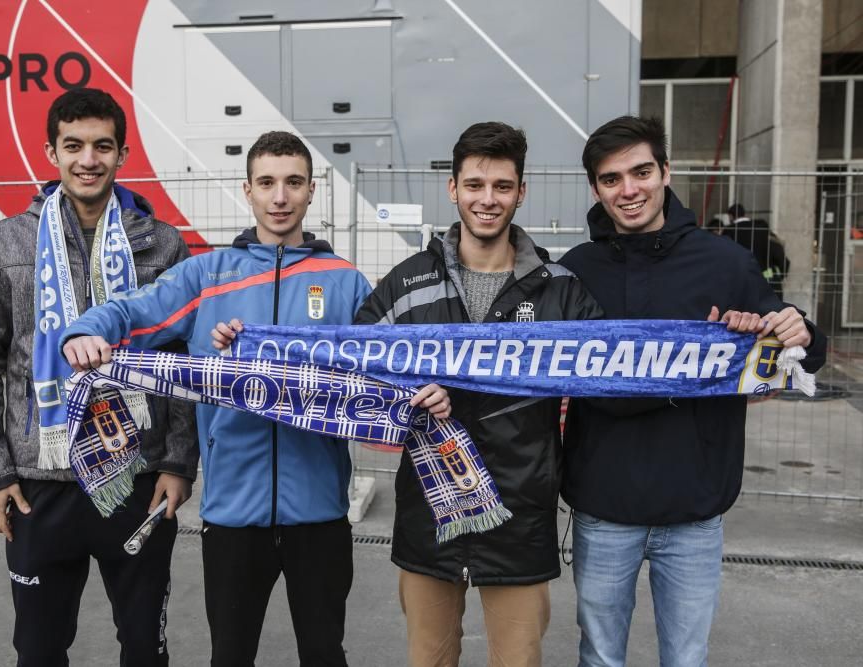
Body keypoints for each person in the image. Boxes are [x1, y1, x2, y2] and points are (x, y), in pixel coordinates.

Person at [61, 131, 376, 667]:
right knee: (230, 655)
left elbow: (383, 369)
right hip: (233, 513)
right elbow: (133, 310)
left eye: (293, 183)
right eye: (268, 183)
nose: (280, 197)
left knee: (325, 654)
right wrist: (85, 330)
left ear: (311, 191)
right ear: (247, 190)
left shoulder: (344, 282)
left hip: (320, 512)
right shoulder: (207, 275)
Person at [559, 115, 827, 667]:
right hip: (603, 507)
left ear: (666, 172)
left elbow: (797, 346)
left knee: (686, 659)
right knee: (600, 657)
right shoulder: (573, 271)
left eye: (641, 172)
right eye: (612, 179)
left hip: (696, 511)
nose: (629, 190)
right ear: (596, 188)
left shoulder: (726, 263)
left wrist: (802, 329)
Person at [0, 87, 197, 666]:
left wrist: (177, 462)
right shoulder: (8, 241)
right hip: (38, 486)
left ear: (122, 154)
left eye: (102, 146)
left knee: (144, 647)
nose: (88, 159)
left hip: (136, 478)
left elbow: (184, 360)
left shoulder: (163, 245)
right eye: (74, 146)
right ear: (50, 152)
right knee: (38, 651)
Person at [353, 121, 603, 667]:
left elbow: (618, 366)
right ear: (453, 188)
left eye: (502, 187)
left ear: (521, 191)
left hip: (520, 513)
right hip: (428, 514)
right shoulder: (406, 284)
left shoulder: (561, 290)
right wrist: (409, 394)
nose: (487, 200)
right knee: (430, 659)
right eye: (474, 185)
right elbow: (358, 369)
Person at [723, 203, 790, 298]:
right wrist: (781, 274)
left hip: (740, 285)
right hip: (766, 283)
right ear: (744, 214)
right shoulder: (760, 228)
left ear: (731, 216)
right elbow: (778, 253)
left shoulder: (729, 232)